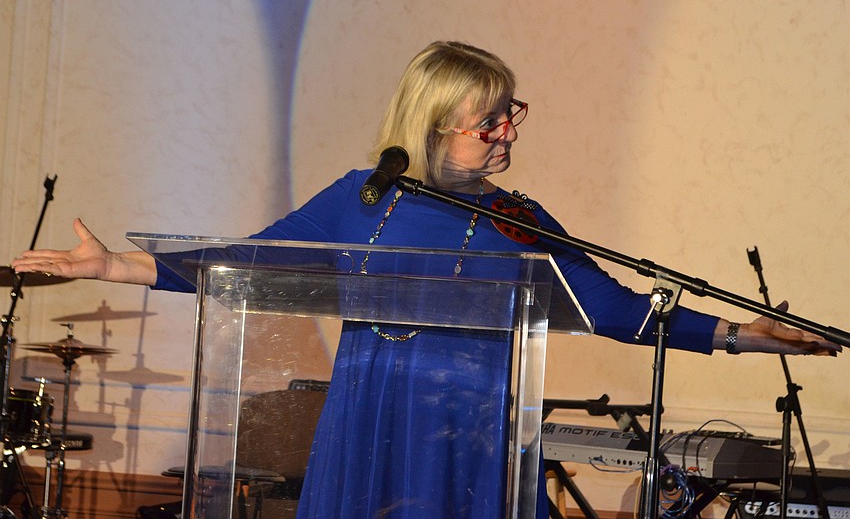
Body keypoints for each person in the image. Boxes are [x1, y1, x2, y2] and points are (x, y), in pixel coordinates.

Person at [12, 41, 840, 519]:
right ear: (436, 120)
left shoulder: (519, 216)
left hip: (473, 429)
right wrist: (117, 267)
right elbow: (248, 264)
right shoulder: (361, 198)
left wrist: (737, 335)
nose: (508, 128)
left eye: (513, 111)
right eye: (491, 116)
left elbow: (615, 310)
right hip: (371, 417)